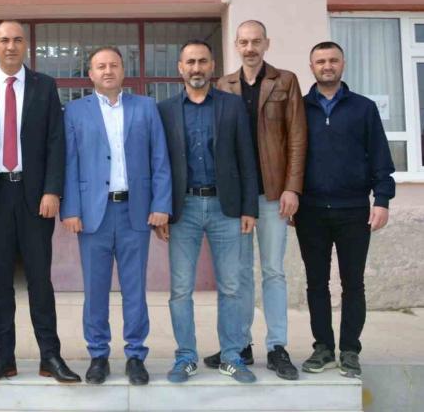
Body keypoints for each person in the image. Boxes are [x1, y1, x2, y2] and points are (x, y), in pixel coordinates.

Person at [0, 20, 80, 384]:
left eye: (17, 40)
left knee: (40, 280)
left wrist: (53, 189)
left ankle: (50, 357)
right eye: (4, 40)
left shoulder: (45, 86)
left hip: (35, 196)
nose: (10, 46)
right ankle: (3, 359)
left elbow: (56, 140)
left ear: (26, 46)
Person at [61, 47, 172, 385]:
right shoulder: (75, 111)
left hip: (135, 212)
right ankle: (98, 355)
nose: (107, 71)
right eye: (100, 66)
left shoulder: (146, 107)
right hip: (93, 214)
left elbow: (160, 158)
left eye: (113, 65)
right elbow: (69, 162)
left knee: (135, 289)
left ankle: (136, 355)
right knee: (94, 289)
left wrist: (161, 205)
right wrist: (71, 209)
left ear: (123, 70)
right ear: (90, 74)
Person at [156, 39, 259, 384]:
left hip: (225, 208)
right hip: (182, 209)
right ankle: (185, 357)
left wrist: (249, 208)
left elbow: (247, 158)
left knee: (231, 287)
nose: (196, 68)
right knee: (180, 289)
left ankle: (231, 356)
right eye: (190, 62)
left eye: (202, 61)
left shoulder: (232, 106)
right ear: (180, 68)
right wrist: (161, 210)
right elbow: (159, 164)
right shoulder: (166, 110)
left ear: (212, 66)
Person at [209, 20, 306, 379]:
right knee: (239, 274)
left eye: (256, 41)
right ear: (236, 45)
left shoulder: (285, 81)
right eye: (244, 42)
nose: (249, 48)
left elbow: (297, 137)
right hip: (235, 197)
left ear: (267, 43)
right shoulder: (224, 85)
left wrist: (292, 187)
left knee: (273, 271)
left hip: (272, 192)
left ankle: (277, 346)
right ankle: (241, 344)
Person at [296, 41, 395, 379]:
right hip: (310, 211)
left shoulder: (363, 108)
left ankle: (350, 350)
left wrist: (382, 199)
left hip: (353, 210)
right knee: (316, 283)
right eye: (320, 61)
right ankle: (323, 347)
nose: (327, 66)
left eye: (333, 60)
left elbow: (380, 157)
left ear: (343, 64)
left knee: (353, 284)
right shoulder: (299, 108)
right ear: (311, 67)